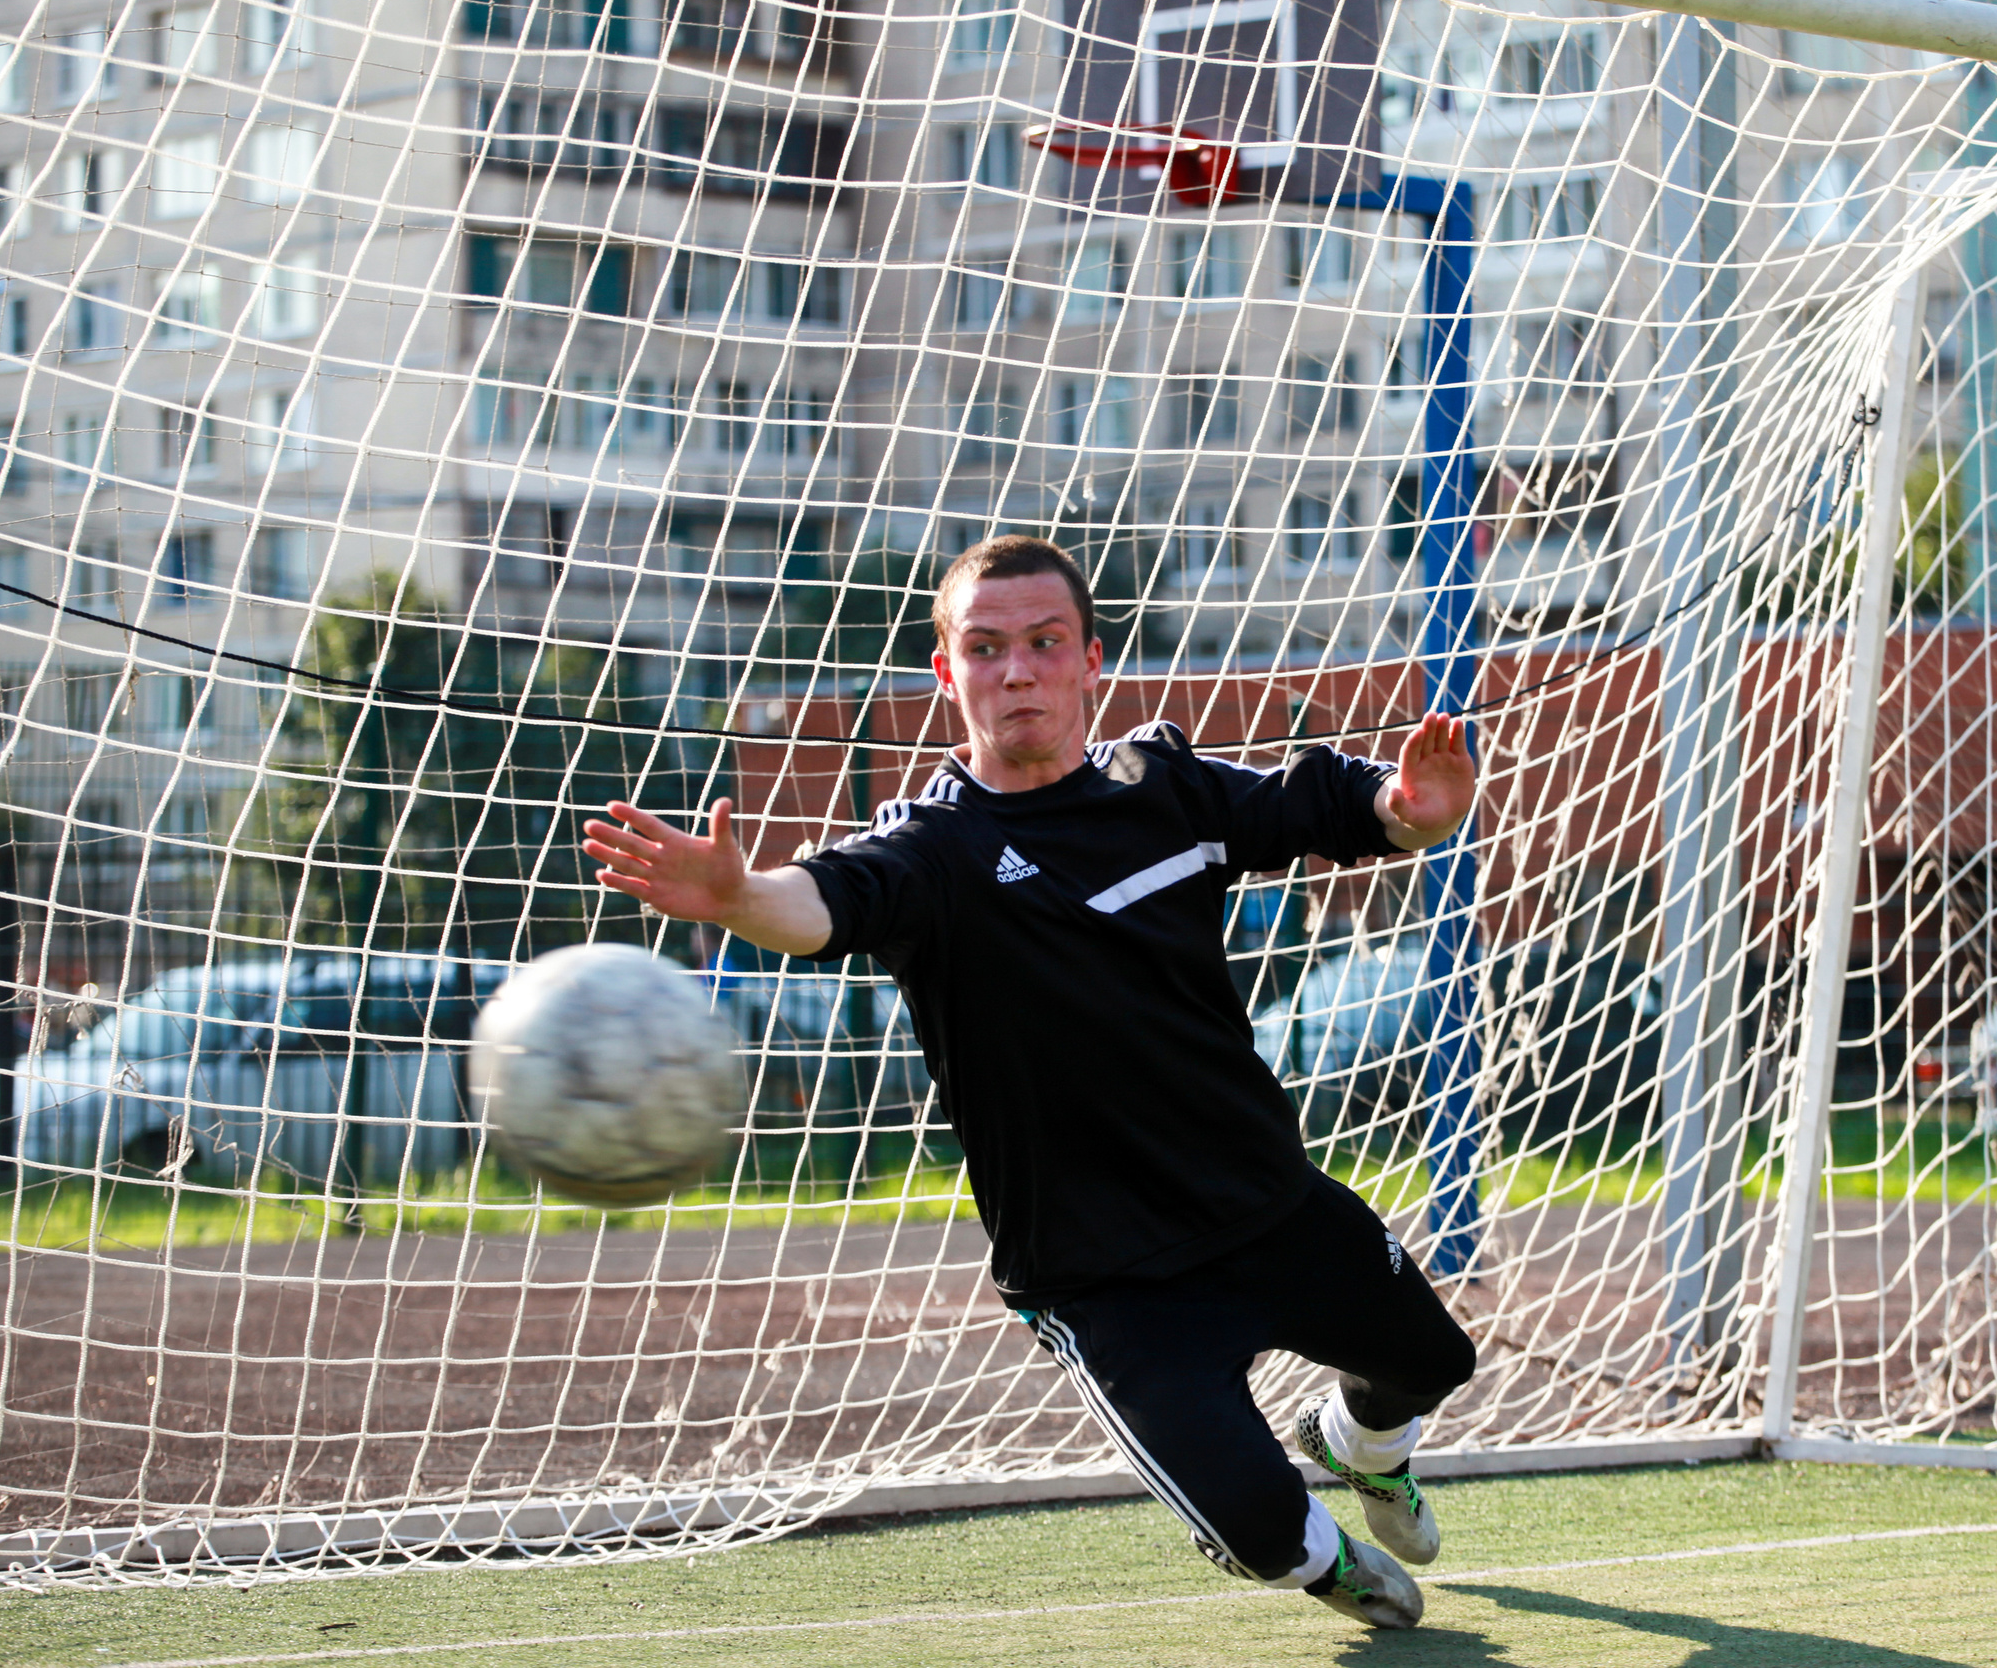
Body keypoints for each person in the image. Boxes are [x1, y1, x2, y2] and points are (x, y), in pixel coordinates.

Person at [582, 535, 1480, 1629]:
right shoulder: (931, 855)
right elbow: (820, 901)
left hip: (1267, 1207)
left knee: (1436, 1359)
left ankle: (1361, 1452)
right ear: (945, 672)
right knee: (1271, 1540)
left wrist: (1411, 811)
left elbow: (1336, 807)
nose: (1018, 671)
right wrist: (736, 897)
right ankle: (1315, 1553)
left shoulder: (1169, 788)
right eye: (987, 647)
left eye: (1045, 643)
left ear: (1091, 659)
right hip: (1105, 1282)